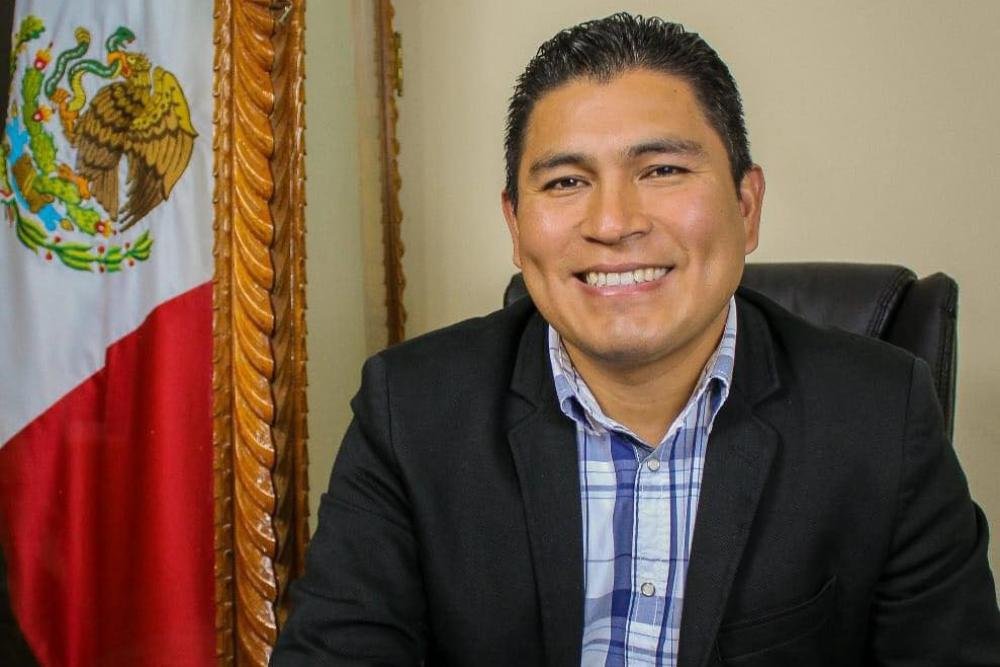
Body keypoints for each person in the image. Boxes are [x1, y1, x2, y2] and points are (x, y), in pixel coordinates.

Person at [273, 13, 1000, 666]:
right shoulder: (410, 409)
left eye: (663, 170)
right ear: (516, 226)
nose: (613, 222)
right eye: (565, 182)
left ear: (747, 206)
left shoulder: (882, 416)